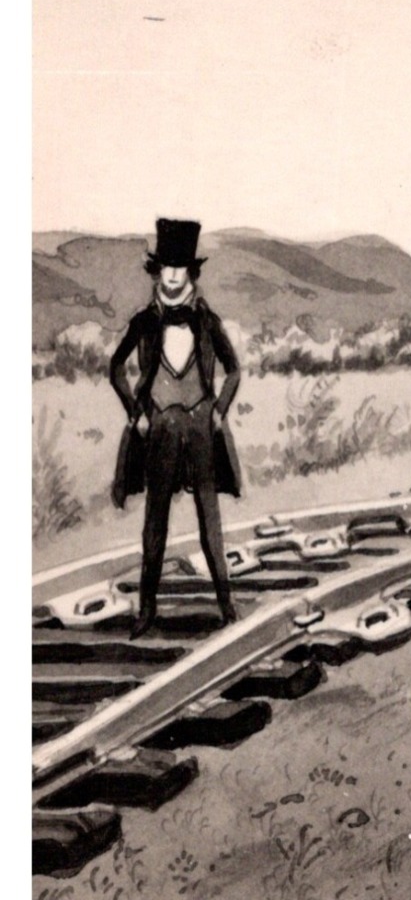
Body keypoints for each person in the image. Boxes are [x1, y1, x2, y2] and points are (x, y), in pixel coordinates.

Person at [109, 218, 243, 638]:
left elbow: (235, 370)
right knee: (155, 522)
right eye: (165, 266)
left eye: (179, 267)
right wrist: (135, 411)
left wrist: (219, 409)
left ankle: (226, 606)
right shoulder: (145, 321)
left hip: (202, 427)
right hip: (161, 428)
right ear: (157, 270)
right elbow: (115, 369)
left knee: (210, 520)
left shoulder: (206, 320)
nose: (171, 274)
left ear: (190, 272)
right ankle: (146, 611)